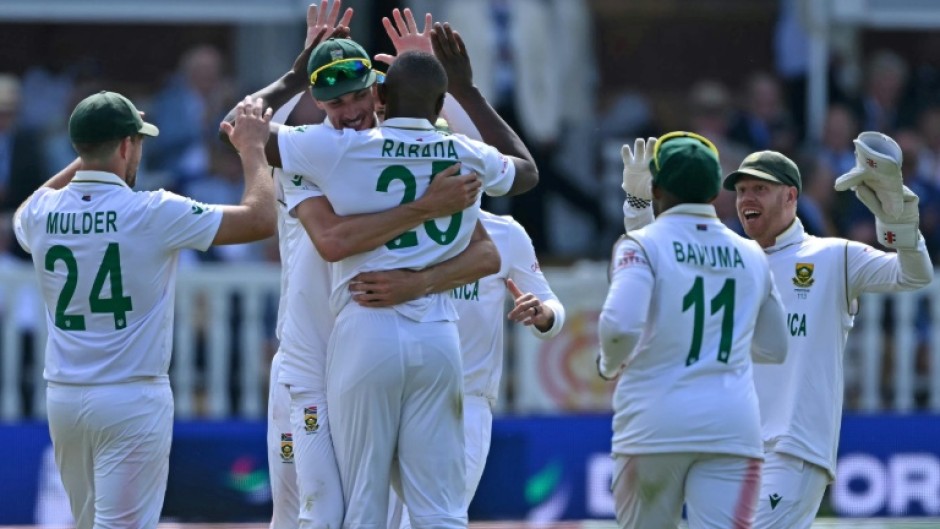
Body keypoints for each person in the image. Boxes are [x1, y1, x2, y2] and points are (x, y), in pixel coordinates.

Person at [249, 5, 510, 528]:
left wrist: (417, 282)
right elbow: (333, 239)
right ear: (316, 102)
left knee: (383, 514)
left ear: (379, 93)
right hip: (307, 366)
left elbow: (485, 252)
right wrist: (297, 74)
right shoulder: (309, 156)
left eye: (359, 96)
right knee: (313, 513)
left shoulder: (383, 151)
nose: (350, 111)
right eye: (334, 101)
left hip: (371, 344)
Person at [13, 91, 275, 529]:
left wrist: (88, 156)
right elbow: (260, 218)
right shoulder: (153, 209)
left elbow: (27, 206)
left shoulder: (42, 211)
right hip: (132, 395)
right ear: (124, 146)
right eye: (136, 142)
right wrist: (252, 150)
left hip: (64, 395)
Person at [721, 134, 933, 528]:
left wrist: (900, 224)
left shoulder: (833, 256)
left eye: (760, 190)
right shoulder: (734, 260)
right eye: (742, 190)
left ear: (790, 196)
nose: (746, 199)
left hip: (794, 447)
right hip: (736, 447)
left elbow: (914, 275)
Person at [598, 131, 789, 529]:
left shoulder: (639, 244)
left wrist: (608, 364)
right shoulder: (751, 253)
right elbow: (775, 346)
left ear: (654, 186)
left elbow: (619, 327)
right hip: (732, 426)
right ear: (714, 189)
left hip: (653, 423)